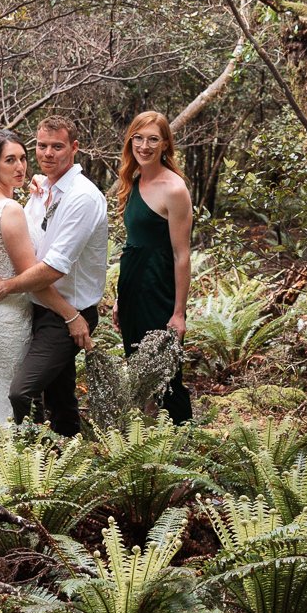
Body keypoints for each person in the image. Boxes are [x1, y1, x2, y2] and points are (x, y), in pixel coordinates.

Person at [0, 115, 104, 434]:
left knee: (22, 391)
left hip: (66, 312)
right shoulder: (39, 189)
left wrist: (7, 287)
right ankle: (62, 457)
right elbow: (11, 246)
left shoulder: (82, 198)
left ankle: (31, 453)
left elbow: (52, 269)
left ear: (74, 148)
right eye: (42, 146)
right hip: (36, 307)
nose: (47, 154)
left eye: (57, 147)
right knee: (60, 396)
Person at [0, 131, 80, 441]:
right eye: (10, 160)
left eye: (22, 158)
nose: (21, 166)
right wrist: (70, 315)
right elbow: (32, 278)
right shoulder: (9, 210)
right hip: (8, 317)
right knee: (8, 395)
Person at [114, 110, 195, 422]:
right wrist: (122, 297)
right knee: (139, 369)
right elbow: (135, 243)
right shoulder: (133, 181)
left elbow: (181, 255)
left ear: (165, 145)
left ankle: (182, 448)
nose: (144, 146)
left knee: (166, 376)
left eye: (153, 139)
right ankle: (145, 445)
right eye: (138, 138)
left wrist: (178, 313)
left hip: (158, 291)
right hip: (132, 288)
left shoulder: (174, 189)